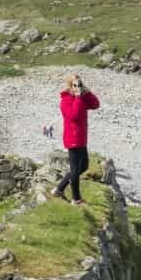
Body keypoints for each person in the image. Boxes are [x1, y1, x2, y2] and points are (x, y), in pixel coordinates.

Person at [54, 73, 100, 205]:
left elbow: (96, 104)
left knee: (84, 166)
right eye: (75, 84)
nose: (77, 87)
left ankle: (59, 189)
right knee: (75, 169)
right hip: (72, 138)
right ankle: (76, 199)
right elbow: (74, 115)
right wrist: (78, 98)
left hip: (81, 138)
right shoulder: (66, 100)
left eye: (79, 84)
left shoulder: (80, 97)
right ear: (70, 86)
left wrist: (86, 92)